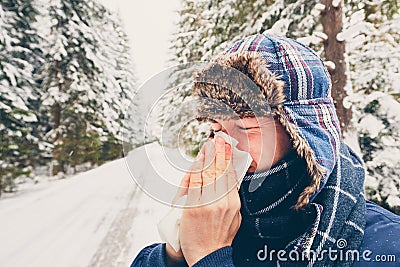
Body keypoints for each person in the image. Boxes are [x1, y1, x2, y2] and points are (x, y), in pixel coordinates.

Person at [130, 34, 400, 266]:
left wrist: (208, 255)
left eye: (246, 129)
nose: (223, 146)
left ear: (304, 136)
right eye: (215, 129)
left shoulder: (384, 247)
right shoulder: (223, 219)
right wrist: (176, 252)